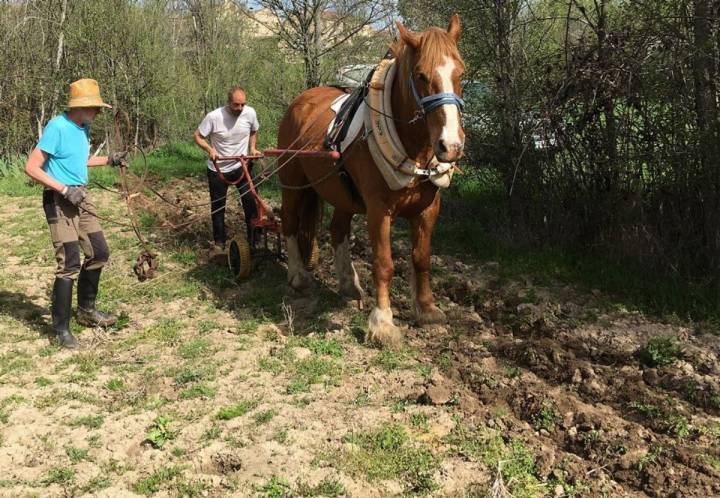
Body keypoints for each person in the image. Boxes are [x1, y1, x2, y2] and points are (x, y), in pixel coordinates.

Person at [24, 78, 127, 349]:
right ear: (80, 107)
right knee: (69, 262)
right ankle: (61, 330)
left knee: (99, 252)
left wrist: (109, 160)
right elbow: (32, 167)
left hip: (82, 197)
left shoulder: (83, 127)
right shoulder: (57, 126)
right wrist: (64, 188)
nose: (97, 112)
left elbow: (78, 160)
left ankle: (86, 310)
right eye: (94, 107)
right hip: (60, 200)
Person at [193, 86, 261, 259]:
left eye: (242, 105)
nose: (239, 109)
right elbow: (198, 136)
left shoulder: (250, 113)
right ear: (228, 102)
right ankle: (220, 244)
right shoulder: (214, 117)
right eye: (236, 105)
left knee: (251, 203)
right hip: (218, 169)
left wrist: (252, 148)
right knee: (218, 207)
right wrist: (210, 150)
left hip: (242, 165)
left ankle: (255, 242)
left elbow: (254, 130)